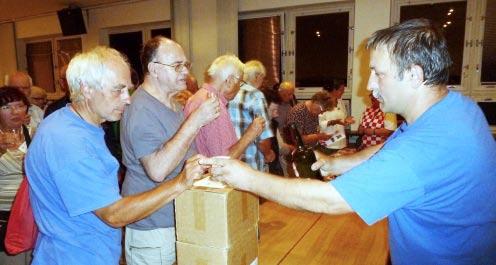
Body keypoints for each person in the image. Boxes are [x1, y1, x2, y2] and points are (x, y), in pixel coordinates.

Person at [203, 19, 496, 265]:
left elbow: (329, 200)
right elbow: (392, 145)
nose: (369, 85)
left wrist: (244, 177)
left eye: (378, 74)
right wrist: (336, 162)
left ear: (414, 75)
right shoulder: (454, 108)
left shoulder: (424, 150)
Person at [25, 46, 208, 265]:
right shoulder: (69, 141)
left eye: (127, 90)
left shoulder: (79, 124)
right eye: (118, 90)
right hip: (75, 256)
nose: (127, 99)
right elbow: (113, 214)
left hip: (88, 252)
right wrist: (180, 183)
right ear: (86, 89)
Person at [120, 37, 220, 265]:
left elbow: (180, 151)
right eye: (177, 65)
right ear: (154, 69)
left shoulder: (171, 103)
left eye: (186, 64)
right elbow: (157, 170)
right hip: (153, 226)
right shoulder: (141, 109)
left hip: (175, 219)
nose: (185, 71)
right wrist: (195, 121)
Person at [184, 55, 264, 158]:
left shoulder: (195, 98)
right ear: (230, 80)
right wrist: (250, 134)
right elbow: (223, 161)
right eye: (239, 83)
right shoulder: (214, 106)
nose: (239, 88)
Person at [0, 87, 32, 265]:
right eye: (6, 107)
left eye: (19, 105)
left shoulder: (35, 133)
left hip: (32, 214)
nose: (14, 111)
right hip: (4, 216)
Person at [228, 60, 275, 171]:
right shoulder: (255, 95)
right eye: (263, 78)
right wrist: (268, 154)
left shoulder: (228, 92)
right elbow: (263, 136)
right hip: (251, 163)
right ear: (258, 76)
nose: (263, 82)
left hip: (229, 158)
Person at [319, 80, 355, 151]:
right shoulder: (322, 103)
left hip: (341, 142)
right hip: (328, 143)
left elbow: (342, 119)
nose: (343, 92)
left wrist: (346, 120)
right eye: (341, 90)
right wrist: (334, 122)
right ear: (333, 90)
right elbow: (319, 123)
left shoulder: (340, 102)